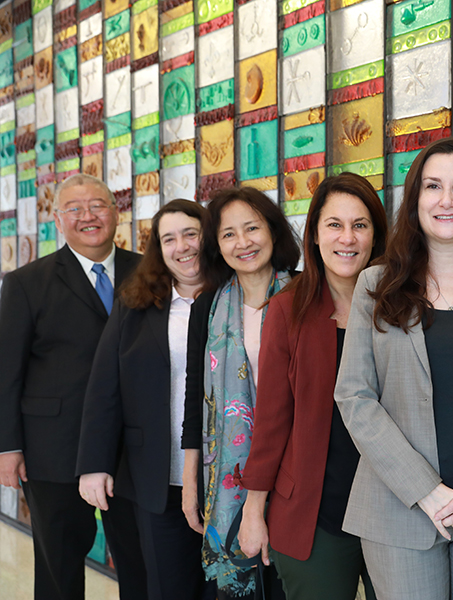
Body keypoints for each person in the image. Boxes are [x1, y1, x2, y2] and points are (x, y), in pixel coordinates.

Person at [335, 137, 453, 600]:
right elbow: (354, 396)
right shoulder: (376, 284)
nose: (447, 200)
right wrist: (425, 489)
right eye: (433, 186)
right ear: (415, 200)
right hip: (397, 510)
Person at [236, 173, 388, 600]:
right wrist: (254, 510)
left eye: (360, 225)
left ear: (376, 235)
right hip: (313, 514)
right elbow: (270, 421)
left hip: (395, 511)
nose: (348, 238)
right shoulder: (288, 309)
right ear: (315, 236)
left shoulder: (402, 304)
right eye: (334, 225)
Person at [0, 173, 148, 600]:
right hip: (52, 449)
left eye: (98, 205)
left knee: (139, 562)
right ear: (58, 220)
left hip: (133, 449)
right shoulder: (27, 282)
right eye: (75, 209)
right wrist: (8, 448)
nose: (88, 216)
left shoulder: (150, 272)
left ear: (116, 212)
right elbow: (7, 371)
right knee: (59, 569)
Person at [75, 200, 216, 600]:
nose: (182, 246)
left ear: (208, 237)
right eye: (169, 239)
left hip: (226, 478)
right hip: (157, 478)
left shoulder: (234, 296)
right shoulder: (136, 302)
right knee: (167, 588)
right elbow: (105, 387)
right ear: (158, 249)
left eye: (191, 234)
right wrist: (94, 465)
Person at [181, 187, 300, 599]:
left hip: (296, 475)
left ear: (273, 231)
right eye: (229, 234)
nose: (243, 242)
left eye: (252, 228)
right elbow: (195, 401)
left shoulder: (305, 294)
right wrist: (191, 481)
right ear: (217, 245)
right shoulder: (208, 306)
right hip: (225, 482)